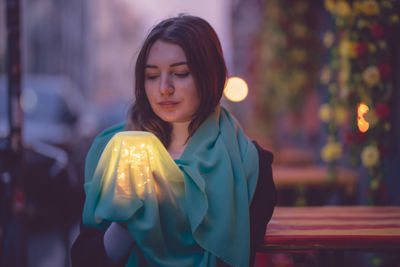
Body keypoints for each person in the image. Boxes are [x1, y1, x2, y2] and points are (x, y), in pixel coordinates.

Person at [71, 15, 276, 267]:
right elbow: (85, 259)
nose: (164, 88)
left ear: (210, 76)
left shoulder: (249, 165)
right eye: (152, 75)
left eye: (180, 73)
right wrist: (125, 220)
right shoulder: (117, 153)